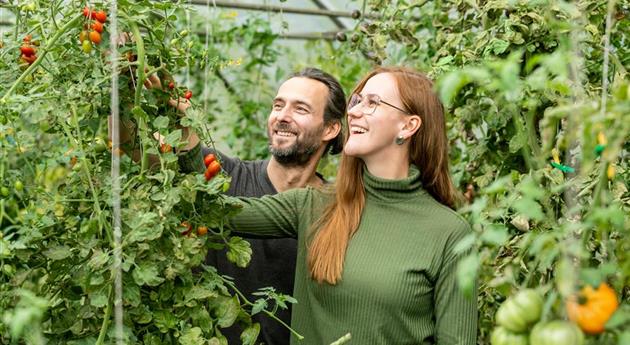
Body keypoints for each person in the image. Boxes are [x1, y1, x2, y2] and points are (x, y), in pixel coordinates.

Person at [188, 66, 477, 344]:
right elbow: (216, 210)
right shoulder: (314, 206)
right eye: (356, 100)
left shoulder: (450, 234)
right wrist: (181, 127)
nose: (354, 111)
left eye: (373, 102)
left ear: (408, 125)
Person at [114, 67, 345, 345]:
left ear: (330, 128)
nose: (282, 116)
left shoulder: (337, 210)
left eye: (301, 109)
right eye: (278, 105)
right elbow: (131, 142)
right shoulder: (220, 176)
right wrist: (122, 82)